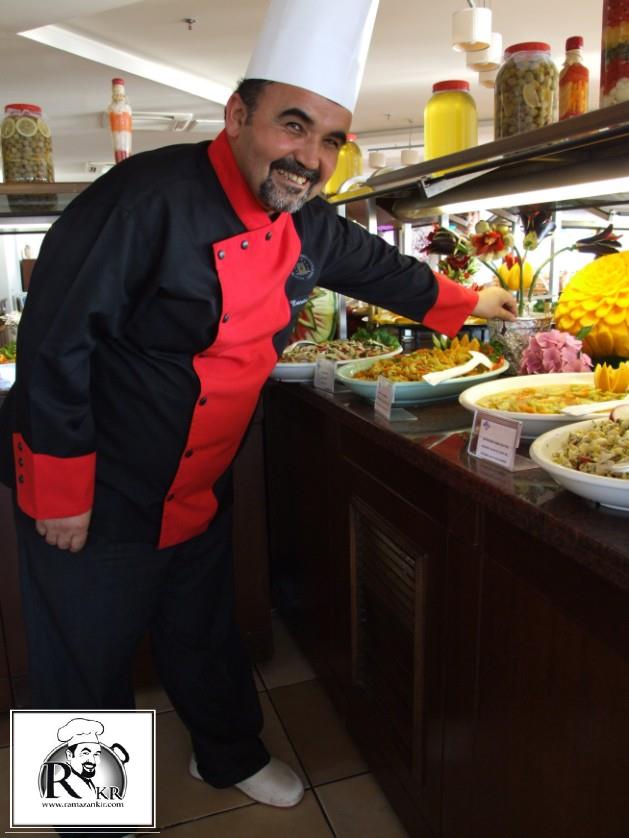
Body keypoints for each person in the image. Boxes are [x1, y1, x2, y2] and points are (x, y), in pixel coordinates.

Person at [0, 0, 517, 816]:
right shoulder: (143, 200)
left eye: (330, 139)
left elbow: (385, 270)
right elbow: (55, 343)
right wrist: (60, 488)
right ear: (237, 116)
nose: (310, 157)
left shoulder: (306, 220)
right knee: (82, 658)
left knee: (204, 630)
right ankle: (89, 818)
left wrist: (474, 301)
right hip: (100, 485)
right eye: (292, 126)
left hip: (198, 481)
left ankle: (229, 753)